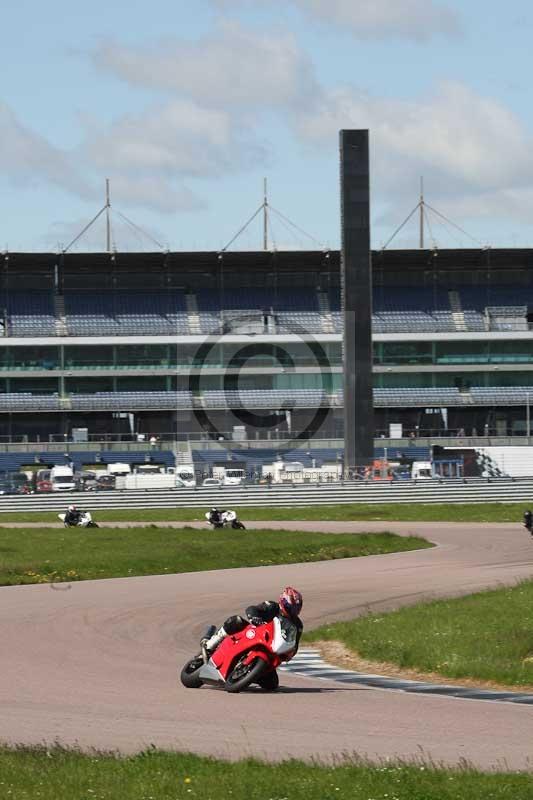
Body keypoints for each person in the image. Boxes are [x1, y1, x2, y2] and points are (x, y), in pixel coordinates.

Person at [201, 586, 304, 666]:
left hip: (272, 649)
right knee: (236, 621)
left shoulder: (298, 625)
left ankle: (246, 672)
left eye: (296, 609)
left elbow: (295, 644)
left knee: (272, 684)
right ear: (283, 602)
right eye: (290, 607)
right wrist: (254, 618)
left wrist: (290, 653)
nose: (292, 611)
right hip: (255, 634)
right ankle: (210, 645)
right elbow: (253, 609)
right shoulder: (272, 607)